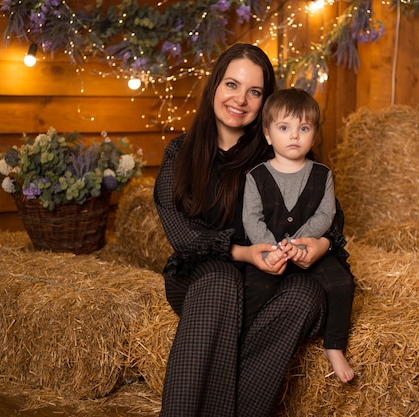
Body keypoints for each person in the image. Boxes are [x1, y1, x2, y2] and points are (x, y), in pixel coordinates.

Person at [154, 43, 351, 417]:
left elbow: (329, 213)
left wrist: (318, 244)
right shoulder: (179, 153)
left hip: (268, 276)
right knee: (221, 281)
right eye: (232, 84)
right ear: (215, 86)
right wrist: (244, 253)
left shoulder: (276, 151)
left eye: (255, 92)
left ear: (266, 103)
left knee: (307, 295)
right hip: (202, 273)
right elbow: (182, 237)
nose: (240, 99)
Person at [242, 87, 355, 383]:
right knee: (254, 287)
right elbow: (251, 219)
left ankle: (334, 345)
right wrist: (270, 248)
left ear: (314, 135)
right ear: (268, 135)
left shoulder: (322, 174)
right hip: (270, 252)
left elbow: (325, 214)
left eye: (303, 128)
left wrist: (301, 243)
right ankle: (244, 343)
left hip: (308, 248)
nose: (294, 135)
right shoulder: (256, 176)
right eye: (284, 127)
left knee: (342, 283)